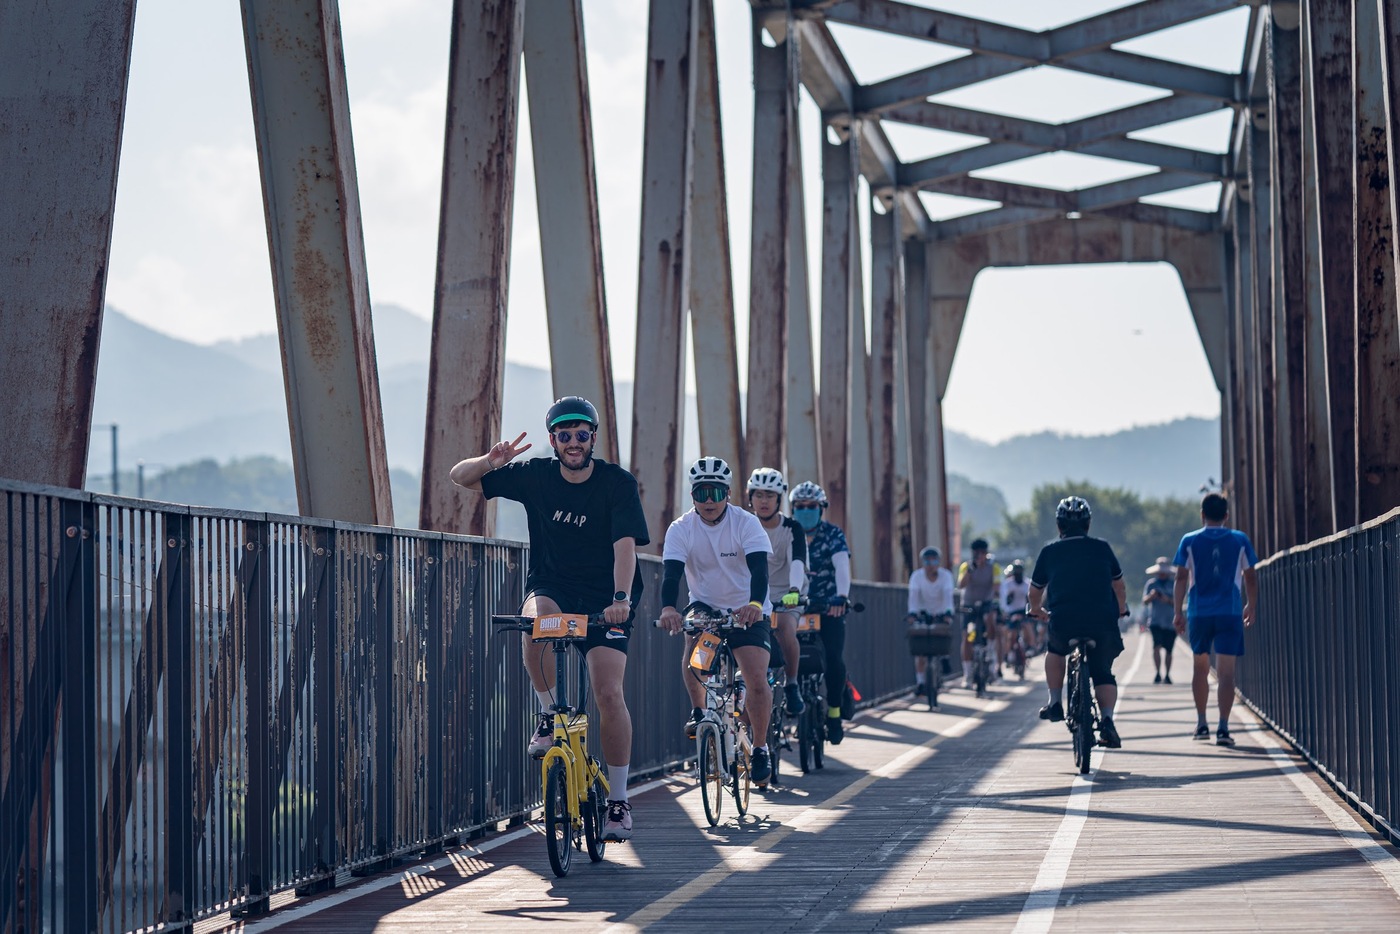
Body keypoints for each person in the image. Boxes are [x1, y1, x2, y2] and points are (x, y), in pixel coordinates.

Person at [450, 395, 648, 842]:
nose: (573, 442)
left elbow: (625, 548)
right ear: (553, 440)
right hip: (553, 585)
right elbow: (459, 478)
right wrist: (490, 461)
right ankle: (548, 714)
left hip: (605, 597)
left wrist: (620, 598)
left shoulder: (617, 483)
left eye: (581, 434)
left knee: (609, 693)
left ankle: (618, 801)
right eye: (564, 435)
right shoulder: (536, 475)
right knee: (538, 621)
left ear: (593, 438)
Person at [659, 457, 777, 785]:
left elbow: (759, 571)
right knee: (695, 648)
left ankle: (761, 747)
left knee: (756, 678)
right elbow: (671, 575)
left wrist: (755, 604)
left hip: (747, 608)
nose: (708, 500)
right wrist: (668, 608)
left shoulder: (746, 523)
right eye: (701, 493)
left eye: (715, 492)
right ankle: (699, 711)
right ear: (692, 495)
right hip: (706, 607)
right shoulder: (681, 528)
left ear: (728, 493)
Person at [1027, 496, 1129, 749]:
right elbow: (1118, 584)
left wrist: (1037, 610)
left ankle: (1054, 702)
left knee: (1055, 650)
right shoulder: (1102, 548)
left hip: (1064, 619)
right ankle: (1107, 721)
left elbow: (1035, 590)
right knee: (1102, 671)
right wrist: (1121, 608)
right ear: (1088, 524)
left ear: (1059, 525)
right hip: (1101, 620)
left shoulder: (1049, 551)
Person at [1172, 493, 1258, 747]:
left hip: (1199, 612)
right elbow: (1251, 576)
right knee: (1226, 674)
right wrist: (1251, 605)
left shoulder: (1189, 540)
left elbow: (1180, 578)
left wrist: (1178, 612)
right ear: (1226, 516)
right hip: (1230, 612)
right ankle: (1223, 727)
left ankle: (1201, 724)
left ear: (1202, 515)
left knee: (1200, 668)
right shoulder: (1239, 539)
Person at [789, 480, 853, 744]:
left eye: (811, 506)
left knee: (834, 660)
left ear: (821, 508)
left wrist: (841, 598)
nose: (806, 511)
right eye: (800, 506)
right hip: (793, 606)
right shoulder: (787, 533)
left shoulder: (833, 534)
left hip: (828, 607)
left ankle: (834, 713)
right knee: (778, 657)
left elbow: (842, 567)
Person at [746, 466, 807, 715]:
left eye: (770, 495)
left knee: (785, 628)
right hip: (753, 596)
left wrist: (794, 590)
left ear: (779, 499)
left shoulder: (791, 528)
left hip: (786, 595)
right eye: (758, 495)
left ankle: (792, 685)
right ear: (750, 497)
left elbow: (797, 561)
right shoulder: (743, 524)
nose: (764, 501)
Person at [907, 545, 954, 695]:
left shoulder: (946, 576)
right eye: (927, 562)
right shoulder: (916, 576)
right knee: (920, 649)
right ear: (923, 563)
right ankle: (920, 682)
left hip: (940, 612)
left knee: (943, 634)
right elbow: (913, 596)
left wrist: (948, 612)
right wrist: (912, 613)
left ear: (939, 562)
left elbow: (948, 595)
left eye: (934, 561)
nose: (931, 565)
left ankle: (945, 658)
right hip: (923, 613)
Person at [957, 539, 1003, 686]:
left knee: (990, 620)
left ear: (986, 553)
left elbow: (997, 586)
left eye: (982, 553)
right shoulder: (966, 566)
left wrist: (996, 598)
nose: (980, 556)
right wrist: (971, 570)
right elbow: (961, 585)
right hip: (969, 604)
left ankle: (989, 650)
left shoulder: (994, 567)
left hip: (986, 603)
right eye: (977, 553)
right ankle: (967, 673)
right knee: (967, 636)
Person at [1142, 556, 1178, 684]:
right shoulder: (1151, 584)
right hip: (1155, 621)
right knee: (1156, 647)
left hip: (1171, 622)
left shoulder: (1174, 584)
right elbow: (1144, 601)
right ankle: (1157, 673)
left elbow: (1179, 602)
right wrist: (1152, 596)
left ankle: (1167, 674)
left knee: (1169, 650)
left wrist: (1167, 600)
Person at [999, 559, 1033, 667]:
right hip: (1011, 611)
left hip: (1023, 610)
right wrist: (1006, 611)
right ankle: (1008, 653)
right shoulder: (1007, 584)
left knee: (1027, 626)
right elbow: (1004, 600)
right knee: (1011, 634)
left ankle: (1030, 647)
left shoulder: (1027, 583)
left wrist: (1030, 610)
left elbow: (1030, 599)